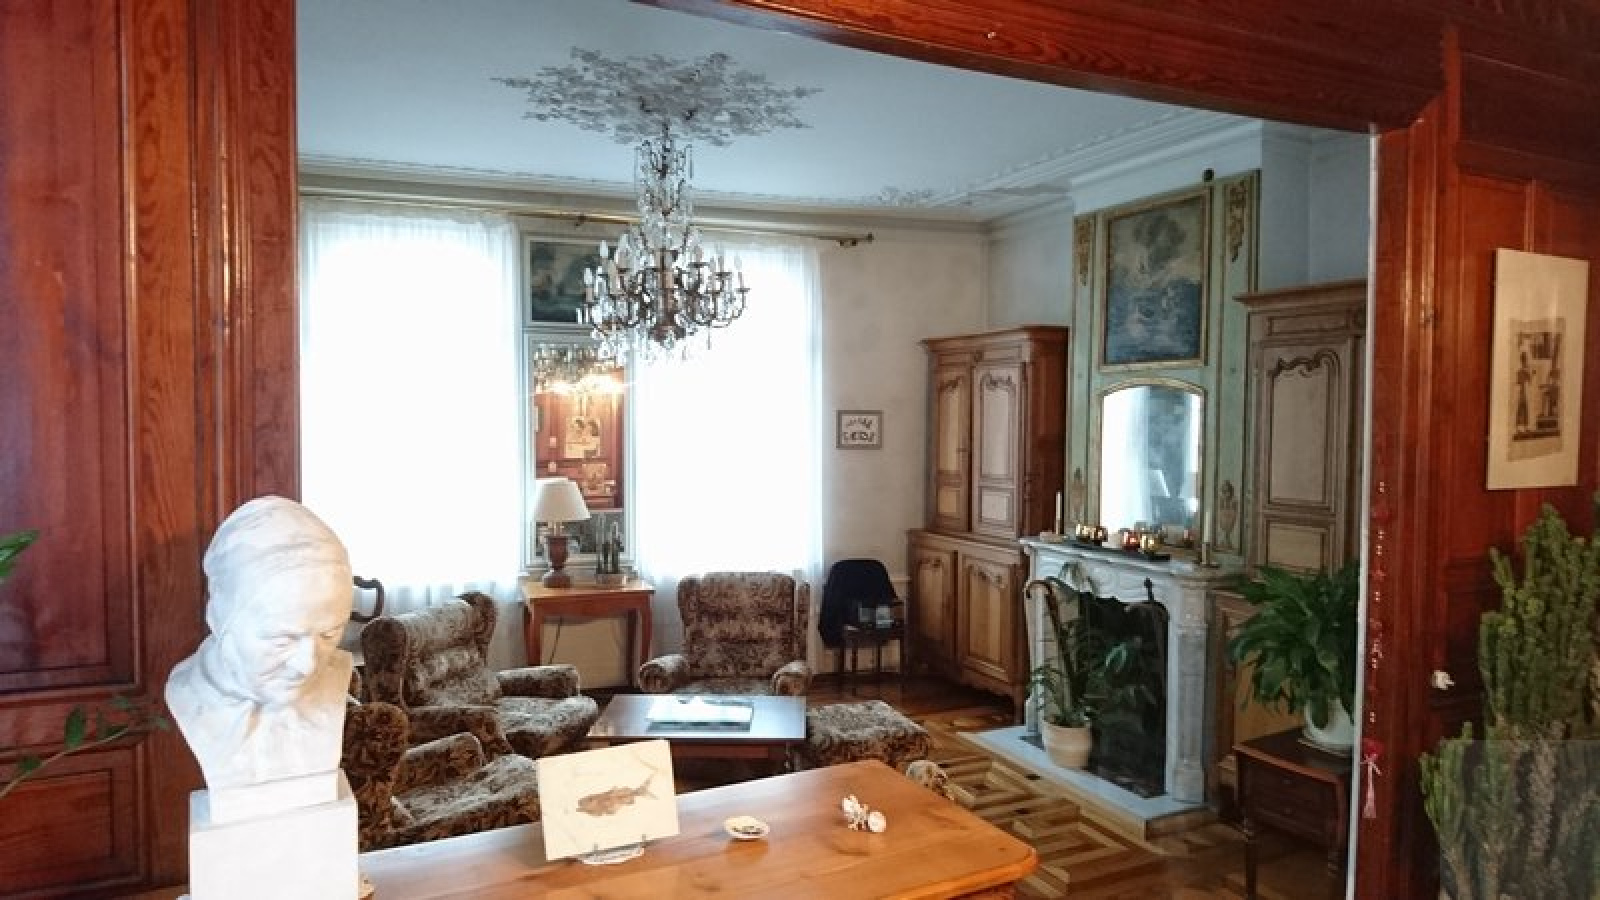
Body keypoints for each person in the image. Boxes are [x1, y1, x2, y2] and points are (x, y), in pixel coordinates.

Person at [165, 496, 354, 793]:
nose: (307, 666)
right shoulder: (186, 693)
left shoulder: (334, 671)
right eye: (282, 640)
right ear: (218, 618)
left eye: (329, 634)